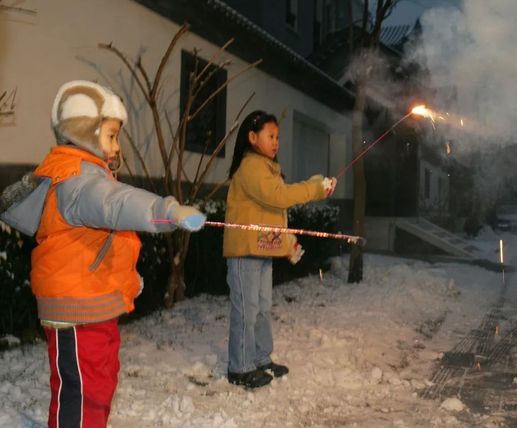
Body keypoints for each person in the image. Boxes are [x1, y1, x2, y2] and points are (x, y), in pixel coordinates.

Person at [1, 80, 206, 427]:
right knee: (83, 391)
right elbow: (117, 204)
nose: (116, 147)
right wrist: (166, 210)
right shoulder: (79, 182)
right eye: (110, 136)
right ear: (83, 133)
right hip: (76, 308)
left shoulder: (87, 177)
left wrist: (125, 280)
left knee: (98, 381)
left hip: (91, 303)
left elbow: (102, 244)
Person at [223, 110, 336, 388]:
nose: (276, 142)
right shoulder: (250, 167)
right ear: (252, 137)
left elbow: (273, 215)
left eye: (278, 137)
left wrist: (288, 243)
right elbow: (279, 198)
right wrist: (314, 188)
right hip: (244, 252)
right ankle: (240, 368)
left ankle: (261, 358)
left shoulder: (267, 168)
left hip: (262, 250)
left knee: (262, 307)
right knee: (246, 310)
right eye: (270, 136)